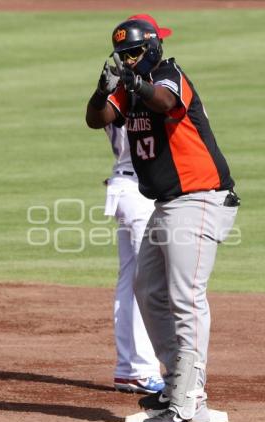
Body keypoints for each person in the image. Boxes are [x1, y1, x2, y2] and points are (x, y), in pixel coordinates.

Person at [86, 16, 240, 422]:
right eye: (124, 56)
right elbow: (96, 119)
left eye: (135, 53)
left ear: (151, 48)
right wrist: (103, 90)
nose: (129, 61)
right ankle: (176, 384)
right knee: (148, 289)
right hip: (167, 205)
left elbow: (166, 103)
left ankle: (191, 403)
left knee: (186, 297)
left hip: (200, 199)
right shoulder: (126, 87)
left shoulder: (169, 75)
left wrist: (135, 83)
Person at [103, 14, 172, 395]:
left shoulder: (119, 89)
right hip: (141, 191)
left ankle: (131, 366)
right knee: (149, 284)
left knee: (131, 281)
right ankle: (141, 368)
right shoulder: (143, 90)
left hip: (124, 186)